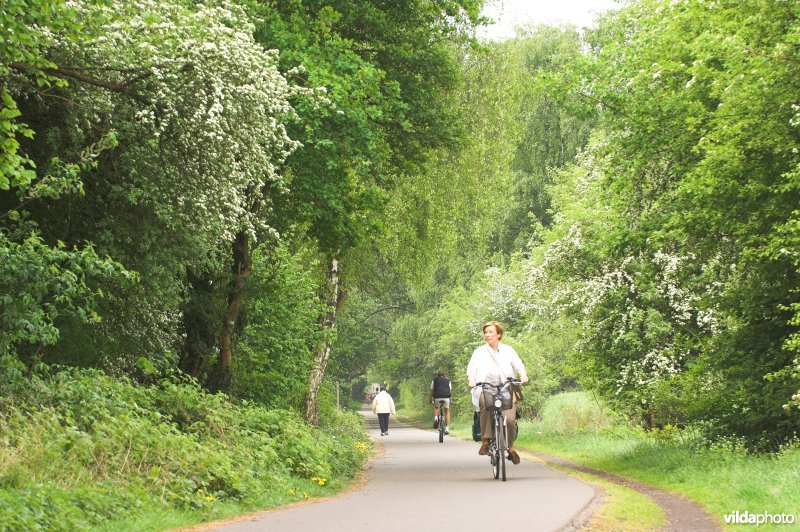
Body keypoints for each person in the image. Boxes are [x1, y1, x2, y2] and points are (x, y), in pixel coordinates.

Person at [467, 321, 528, 465]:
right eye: (486, 332)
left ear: (498, 334)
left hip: (506, 387)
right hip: (486, 387)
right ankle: (486, 442)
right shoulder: (479, 352)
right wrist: (472, 380)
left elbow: (518, 364)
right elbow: (471, 368)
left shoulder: (508, 350)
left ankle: (510, 447)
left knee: (511, 419)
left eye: (490, 332)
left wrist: (523, 375)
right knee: (485, 405)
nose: (487, 335)